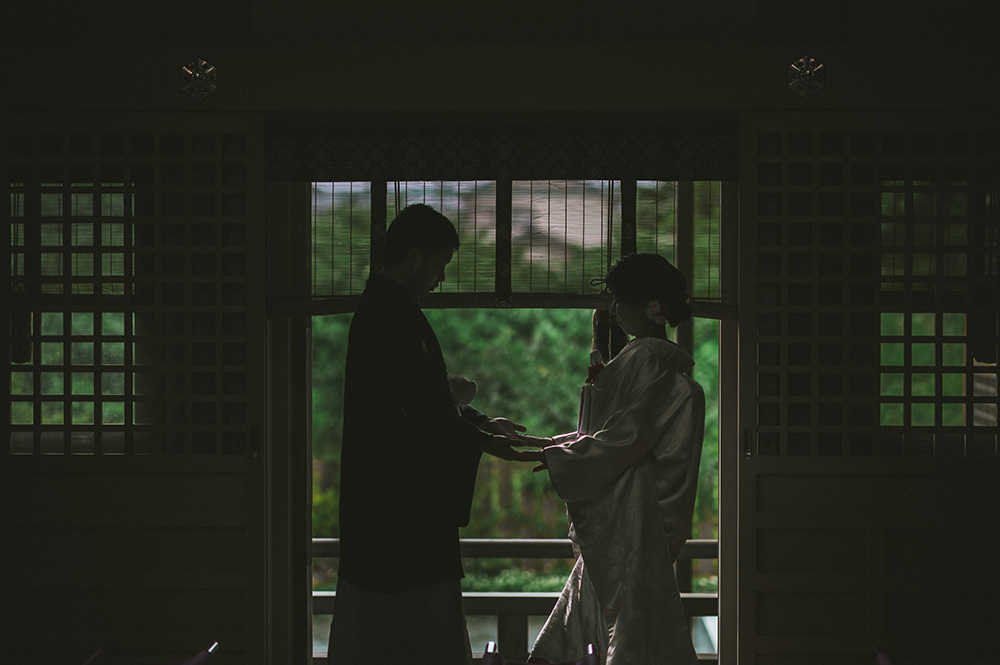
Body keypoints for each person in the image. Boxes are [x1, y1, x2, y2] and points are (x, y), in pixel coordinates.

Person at [328, 204, 543, 665]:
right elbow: (418, 411)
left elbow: (422, 399)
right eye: (440, 265)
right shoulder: (388, 314)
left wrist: (479, 422)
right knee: (409, 630)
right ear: (413, 257)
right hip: (396, 503)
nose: (440, 278)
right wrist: (482, 438)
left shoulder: (387, 310)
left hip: (393, 501)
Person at [523, 253, 705, 665]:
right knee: (634, 623)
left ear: (648, 307)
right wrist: (559, 447)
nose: (615, 310)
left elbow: (625, 438)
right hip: (644, 511)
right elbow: (615, 436)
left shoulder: (644, 359)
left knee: (617, 622)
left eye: (620, 300)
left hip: (631, 514)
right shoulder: (664, 364)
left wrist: (561, 455)